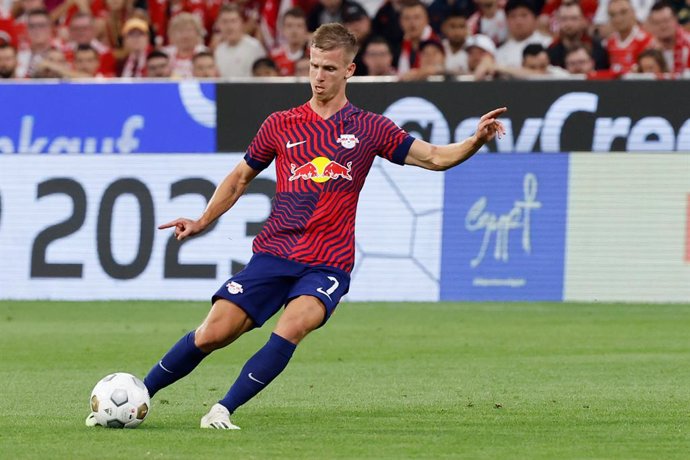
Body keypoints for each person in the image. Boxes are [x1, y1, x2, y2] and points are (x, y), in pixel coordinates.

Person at [84, 22, 506, 430]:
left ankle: (221, 410)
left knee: (293, 325)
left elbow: (433, 157)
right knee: (213, 333)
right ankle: (139, 395)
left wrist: (473, 141)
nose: (319, 77)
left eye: (329, 69)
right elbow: (239, 178)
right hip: (273, 253)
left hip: (328, 261)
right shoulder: (280, 124)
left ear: (349, 71)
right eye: (313, 66)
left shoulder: (370, 128)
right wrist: (202, 220)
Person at [214, 4, 265, 78]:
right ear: (219, 25)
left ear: (241, 23)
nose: (229, 26)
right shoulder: (218, 50)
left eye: (233, 21)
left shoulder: (254, 48)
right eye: (224, 22)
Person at [604, 0, 653, 74]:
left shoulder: (646, 40)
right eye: (612, 15)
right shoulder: (609, 42)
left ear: (633, 12)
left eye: (623, 12)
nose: (618, 18)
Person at [647, 1, 690, 74]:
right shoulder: (649, 49)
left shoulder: (688, 43)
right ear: (651, 25)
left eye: (666, 21)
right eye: (657, 23)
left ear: (675, 19)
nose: (663, 26)